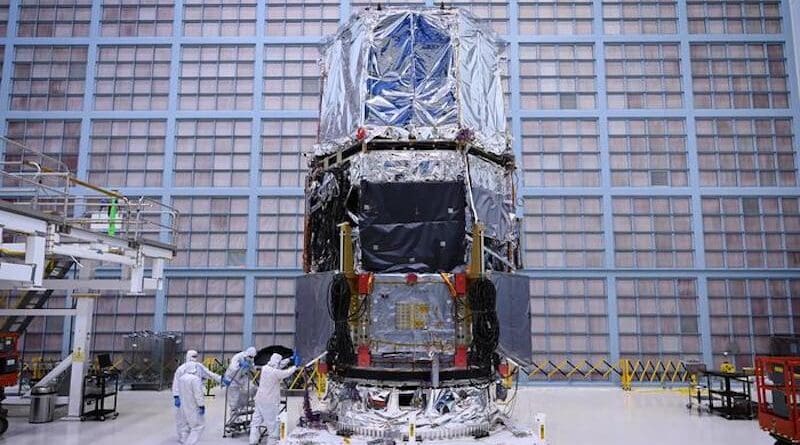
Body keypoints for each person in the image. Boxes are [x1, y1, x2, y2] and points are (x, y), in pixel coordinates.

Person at [173, 350, 222, 444]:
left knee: (189, 416)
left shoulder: (199, 366)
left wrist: (220, 379)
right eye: (193, 356)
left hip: (191, 396)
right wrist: (176, 396)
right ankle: (184, 437)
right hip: (183, 396)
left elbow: (209, 374)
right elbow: (176, 382)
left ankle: (186, 437)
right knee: (183, 418)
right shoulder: (181, 369)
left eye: (196, 356)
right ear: (188, 356)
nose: (194, 358)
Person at [249, 353, 297, 445]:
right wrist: (295, 367)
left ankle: (253, 441)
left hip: (259, 400)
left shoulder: (265, 368)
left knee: (256, 421)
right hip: (270, 402)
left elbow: (279, 364)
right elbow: (286, 373)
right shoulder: (275, 373)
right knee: (273, 425)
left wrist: (289, 359)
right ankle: (272, 442)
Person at [176, 363, 207, 445]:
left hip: (183, 405)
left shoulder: (181, 378)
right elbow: (198, 394)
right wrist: (201, 405)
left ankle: (183, 440)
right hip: (193, 405)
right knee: (198, 426)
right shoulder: (195, 379)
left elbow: (178, 390)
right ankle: (189, 443)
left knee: (185, 425)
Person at [223, 346, 257, 413]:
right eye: (250, 357)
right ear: (247, 354)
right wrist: (240, 366)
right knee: (234, 397)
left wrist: (253, 369)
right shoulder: (238, 357)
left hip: (242, 377)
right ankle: (233, 411)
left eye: (253, 357)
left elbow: (253, 368)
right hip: (232, 378)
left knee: (251, 387)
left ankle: (243, 405)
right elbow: (233, 368)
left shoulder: (250, 359)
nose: (251, 359)